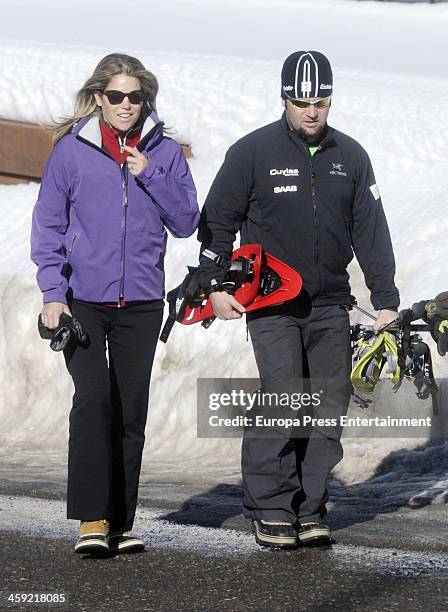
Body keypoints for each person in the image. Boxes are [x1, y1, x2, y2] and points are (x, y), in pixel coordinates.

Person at [197, 51, 399, 549]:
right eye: (301, 101)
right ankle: (270, 505)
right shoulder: (252, 153)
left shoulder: (350, 157)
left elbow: (370, 231)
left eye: (320, 101)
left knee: (327, 405)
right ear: (284, 98)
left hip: (330, 302)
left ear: (331, 99)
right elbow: (217, 223)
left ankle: (309, 507)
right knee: (286, 394)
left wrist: (386, 298)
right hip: (270, 303)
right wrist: (216, 285)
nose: (311, 111)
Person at [31, 53, 200, 554]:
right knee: (93, 402)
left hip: (143, 303)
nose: (126, 105)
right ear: (99, 97)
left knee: (129, 410)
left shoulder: (165, 153)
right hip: (82, 300)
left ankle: (121, 523)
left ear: (145, 99)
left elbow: (188, 220)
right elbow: (48, 228)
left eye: (135, 97)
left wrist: (151, 174)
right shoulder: (71, 152)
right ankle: (91, 520)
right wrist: (52, 294)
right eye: (116, 96)